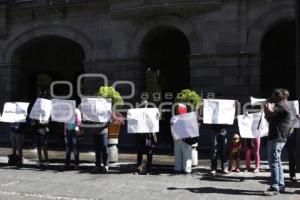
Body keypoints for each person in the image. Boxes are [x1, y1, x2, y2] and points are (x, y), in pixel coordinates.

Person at [264, 88, 291, 196]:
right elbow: (270, 118)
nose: (272, 98)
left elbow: (270, 113)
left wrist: (266, 105)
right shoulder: (282, 105)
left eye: (273, 96)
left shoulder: (281, 105)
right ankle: (280, 185)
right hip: (277, 136)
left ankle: (275, 187)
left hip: (277, 137)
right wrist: (267, 110)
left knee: (273, 162)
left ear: (278, 96)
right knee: (277, 162)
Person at [135, 100, 157, 175]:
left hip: (148, 135)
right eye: (142, 105)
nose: (144, 107)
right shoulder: (137, 113)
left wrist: (157, 115)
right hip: (140, 135)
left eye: (145, 105)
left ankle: (149, 169)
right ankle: (139, 169)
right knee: (139, 152)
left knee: (149, 152)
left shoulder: (150, 113)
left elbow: (154, 121)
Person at [172, 103, 193, 174]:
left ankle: (180, 168)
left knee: (181, 155)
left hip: (180, 139)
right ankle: (185, 169)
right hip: (182, 139)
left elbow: (172, 128)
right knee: (185, 155)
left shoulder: (174, 118)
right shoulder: (188, 118)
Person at [282, 88, 297, 182]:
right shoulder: (278, 105)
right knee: (277, 155)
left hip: (290, 133)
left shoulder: (293, 106)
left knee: (291, 154)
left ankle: (292, 174)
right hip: (280, 133)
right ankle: (277, 176)